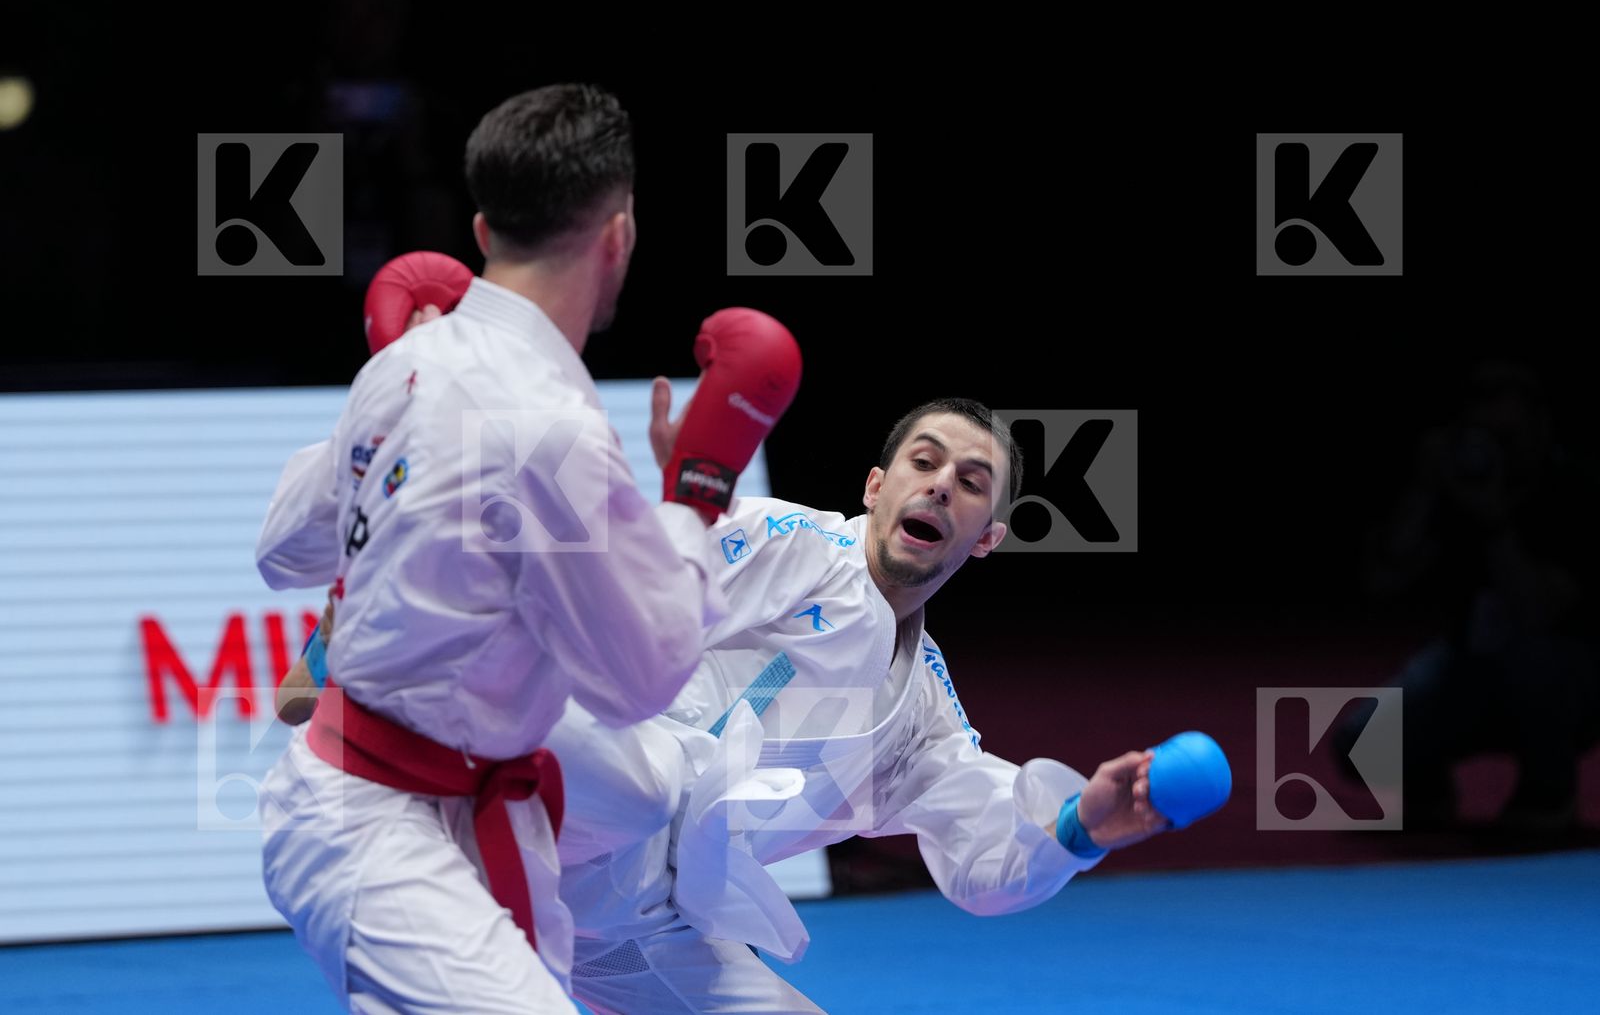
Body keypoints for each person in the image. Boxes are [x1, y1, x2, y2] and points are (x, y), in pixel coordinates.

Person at [281, 393, 1229, 1013]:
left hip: (652, 919)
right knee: (632, 760)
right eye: (925, 461)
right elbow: (632, 582)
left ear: (986, 538)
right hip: (579, 795)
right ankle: (368, 646)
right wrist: (679, 503)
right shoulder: (791, 544)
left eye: (971, 482)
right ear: (877, 485)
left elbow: (985, 860)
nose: (942, 482)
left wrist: (1081, 826)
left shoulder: (926, 717)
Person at [255, 84, 799, 1014]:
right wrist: (697, 494)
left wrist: (392, 406)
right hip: (378, 821)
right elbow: (639, 681)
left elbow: (284, 550)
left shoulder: (404, 367)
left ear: (480, 225)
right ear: (618, 231)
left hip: (455, 810)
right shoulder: (551, 427)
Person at [1345, 360, 1599, 831]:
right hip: (1470, 669)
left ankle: (1549, 790)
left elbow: (1537, 612)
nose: (1496, 451)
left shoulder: (1577, 496)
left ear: (1542, 429)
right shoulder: (1458, 489)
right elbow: (1381, 580)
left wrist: (1494, 522)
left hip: (1569, 680)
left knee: (1533, 662)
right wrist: (1424, 489)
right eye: (1484, 436)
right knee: (1357, 741)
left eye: (1509, 437)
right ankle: (1427, 784)